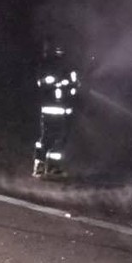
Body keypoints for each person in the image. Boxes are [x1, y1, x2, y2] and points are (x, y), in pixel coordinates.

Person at [33, 42, 79, 178]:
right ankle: (39, 166)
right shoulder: (46, 66)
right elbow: (41, 82)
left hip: (63, 111)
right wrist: (55, 82)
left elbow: (74, 88)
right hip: (49, 110)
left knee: (61, 140)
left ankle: (53, 168)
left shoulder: (70, 69)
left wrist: (69, 85)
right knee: (46, 138)